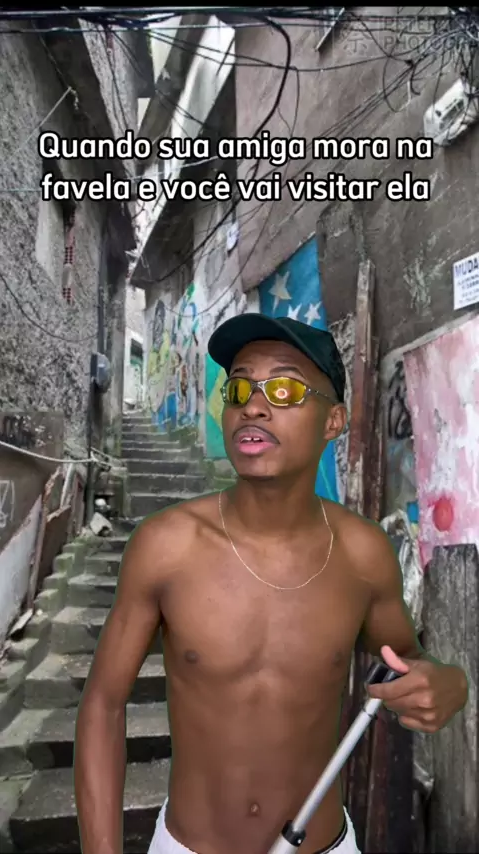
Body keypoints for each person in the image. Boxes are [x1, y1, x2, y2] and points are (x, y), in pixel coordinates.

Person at [74, 313, 468, 854]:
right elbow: (103, 703)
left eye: (284, 389)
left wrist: (448, 685)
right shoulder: (165, 546)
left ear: (333, 421)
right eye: (239, 388)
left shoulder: (364, 553)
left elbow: (407, 662)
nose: (253, 407)